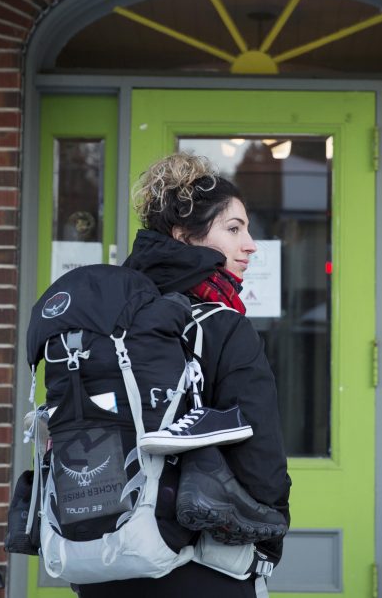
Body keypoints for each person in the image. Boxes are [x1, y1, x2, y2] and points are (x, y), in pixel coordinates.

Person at [75, 152, 291, 598]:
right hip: (204, 563)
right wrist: (270, 536)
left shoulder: (108, 322)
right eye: (234, 229)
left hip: (107, 555)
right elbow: (260, 461)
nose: (251, 244)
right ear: (183, 237)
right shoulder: (222, 325)